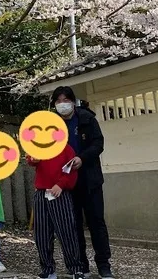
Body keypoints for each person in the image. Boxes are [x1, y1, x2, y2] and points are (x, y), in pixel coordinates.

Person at [52, 86, 114, 279]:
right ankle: (81, 265)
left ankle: (104, 265)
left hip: (90, 179)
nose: (63, 104)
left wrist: (82, 158)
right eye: (58, 101)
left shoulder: (87, 118)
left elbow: (98, 144)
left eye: (66, 100)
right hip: (67, 182)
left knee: (96, 222)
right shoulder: (52, 125)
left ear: (73, 101)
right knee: (73, 225)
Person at [26, 138, 84, 279]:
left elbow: (70, 169)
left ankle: (75, 268)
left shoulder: (65, 148)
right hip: (41, 192)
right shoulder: (38, 145)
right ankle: (47, 269)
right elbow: (30, 159)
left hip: (60, 192)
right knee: (42, 233)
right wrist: (34, 159)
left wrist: (61, 184)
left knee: (66, 231)